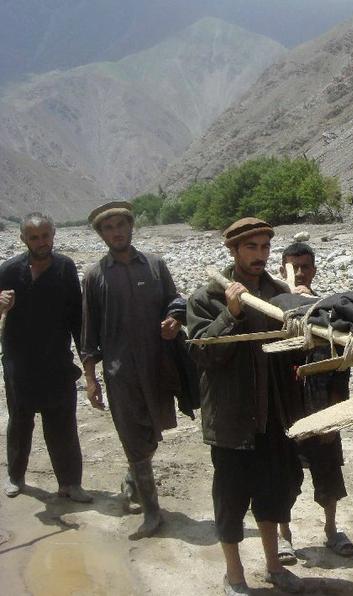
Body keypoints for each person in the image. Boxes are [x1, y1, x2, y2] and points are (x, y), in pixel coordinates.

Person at [187, 218, 303, 595]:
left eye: (265, 248)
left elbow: (296, 353)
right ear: (233, 251)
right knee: (231, 500)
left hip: (273, 417)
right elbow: (203, 355)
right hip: (232, 420)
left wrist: (305, 314)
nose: (259, 256)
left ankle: (273, 566)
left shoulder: (279, 293)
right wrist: (231, 315)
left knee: (272, 495)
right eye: (250, 248)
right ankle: (234, 575)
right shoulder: (207, 297)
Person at [81, 201, 183, 540]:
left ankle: (132, 477)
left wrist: (174, 319)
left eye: (120, 225)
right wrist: (91, 378)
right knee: (132, 435)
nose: (116, 232)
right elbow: (89, 332)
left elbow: (176, 301)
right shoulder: (95, 276)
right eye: (108, 228)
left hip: (157, 365)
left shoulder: (155, 265)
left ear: (131, 227)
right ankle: (153, 512)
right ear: (101, 235)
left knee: (153, 430)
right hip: (120, 371)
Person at [0, 213, 91, 502]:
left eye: (45, 236)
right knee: (20, 422)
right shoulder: (9, 270)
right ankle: (15, 476)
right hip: (19, 363)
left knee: (63, 425)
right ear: (23, 239)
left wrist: (88, 363)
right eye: (34, 237)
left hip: (57, 362)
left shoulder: (65, 268)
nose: (41, 242)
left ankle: (70, 484)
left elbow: (77, 317)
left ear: (53, 234)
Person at [276, 242, 353, 557]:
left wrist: (336, 413)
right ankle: (284, 536)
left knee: (328, 472)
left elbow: (342, 363)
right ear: (282, 270)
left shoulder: (328, 310)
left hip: (321, 403)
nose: (300, 272)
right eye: (293, 267)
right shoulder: (271, 309)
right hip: (287, 411)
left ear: (315, 269)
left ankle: (331, 530)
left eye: (305, 266)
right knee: (283, 477)